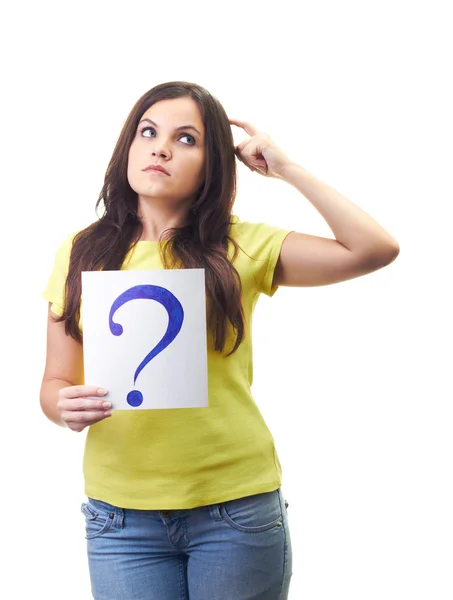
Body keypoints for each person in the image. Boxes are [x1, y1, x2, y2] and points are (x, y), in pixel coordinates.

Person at [40, 81, 399, 600]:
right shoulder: (80, 251)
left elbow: (375, 248)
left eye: (187, 139)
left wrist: (287, 169)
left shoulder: (241, 246)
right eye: (148, 132)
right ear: (128, 147)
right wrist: (62, 406)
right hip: (121, 519)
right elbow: (54, 381)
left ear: (215, 165)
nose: (161, 147)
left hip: (234, 511)